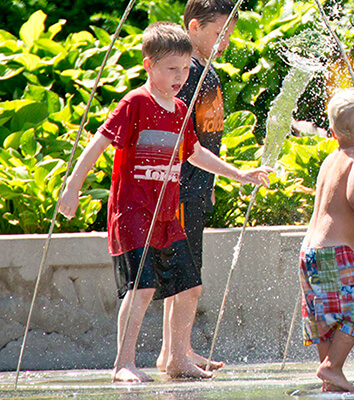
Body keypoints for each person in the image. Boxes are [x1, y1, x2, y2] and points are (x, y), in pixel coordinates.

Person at [57, 21, 271, 382]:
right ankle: (123, 363)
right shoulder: (136, 103)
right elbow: (99, 142)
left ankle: (177, 358)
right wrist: (73, 185)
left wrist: (239, 173)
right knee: (141, 289)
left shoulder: (180, 109)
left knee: (189, 287)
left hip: (167, 217)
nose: (180, 76)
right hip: (133, 214)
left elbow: (195, 153)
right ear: (149, 66)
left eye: (185, 69)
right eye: (172, 68)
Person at [156, 0, 237, 375]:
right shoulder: (188, 74)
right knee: (188, 279)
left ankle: (178, 349)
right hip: (183, 188)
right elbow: (185, 142)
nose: (224, 42)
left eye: (228, 35)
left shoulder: (203, 70)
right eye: (218, 33)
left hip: (194, 186)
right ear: (193, 27)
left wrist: (211, 182)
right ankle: (176, 356)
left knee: (185, 275)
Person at [299, 89, 354, 392]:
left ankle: (330, 380)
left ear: (333, 132)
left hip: (310, 252)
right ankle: (332, 367)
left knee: (325, 316)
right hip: (336, 253)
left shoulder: (330, 159)